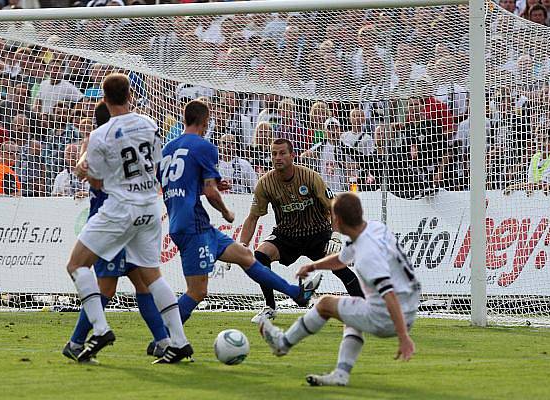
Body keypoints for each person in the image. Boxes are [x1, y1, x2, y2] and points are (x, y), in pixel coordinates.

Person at [160, 100, 321, 328]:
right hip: (193, 226)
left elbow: (175, 184)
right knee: (197, 291)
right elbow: (209, 191)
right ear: (205, 122)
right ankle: (164, 337)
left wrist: (211, 184)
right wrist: (225, 211)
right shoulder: (204, 146)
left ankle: (297, 294)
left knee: (246, 256)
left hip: (186, 222)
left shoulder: (168, 149)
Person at [66, 73, 190, 363]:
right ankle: (179, 341)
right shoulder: (150, 124)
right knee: (151, 277)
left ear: (104, 99)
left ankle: (100, 328)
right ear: (131, 94)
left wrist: (85, 172)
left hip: (121, 208)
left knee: (76, 264)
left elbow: (97, 184)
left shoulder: (101, 135)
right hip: (150, 207)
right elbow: (156, 165)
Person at [259, 192, 420, 387]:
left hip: (390, 316)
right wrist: (313, 266)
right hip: (409, 307)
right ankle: (341, 375)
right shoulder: (374, 228)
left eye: (332, 216)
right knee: (350, 317)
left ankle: (282, 344)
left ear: (339, 219)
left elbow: (389, 294)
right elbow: (341, 259)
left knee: (325, 304)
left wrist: (403, 337)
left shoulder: (367, 256)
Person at [240, 138, 364, 323]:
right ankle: (270, 307)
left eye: (282, 153)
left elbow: (334, 207)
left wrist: (336, 236)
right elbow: (252, 217)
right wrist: (242, 244)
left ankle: (363, 307)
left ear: (292, 155)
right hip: (287, 235)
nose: (277, 157)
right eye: (274, 154)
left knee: (340, 266)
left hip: (317, 232)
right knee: (260, 256)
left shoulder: (310, 177)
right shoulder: (265, 183)